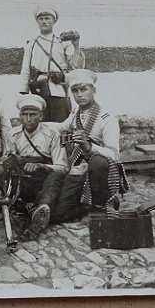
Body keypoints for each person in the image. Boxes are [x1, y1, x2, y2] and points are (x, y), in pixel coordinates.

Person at [50, 69, 128, 223]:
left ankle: (99, 206)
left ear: (94, 90)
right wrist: (38, 124)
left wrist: (89, 146)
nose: (79, 95)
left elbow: (114, 155)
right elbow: (60, 127)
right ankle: (89, 206)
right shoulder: (75, 113)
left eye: (84, 89)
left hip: (100, 171)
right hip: (79, 168)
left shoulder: (106, 117)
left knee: (97, 162)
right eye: (75, 91)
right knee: (59, 215)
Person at [7, 94, 68, 238]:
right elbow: (8, 159)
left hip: (45, 178)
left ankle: (42, 209)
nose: (28, 118)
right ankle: (30, 210)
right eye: (24, 114)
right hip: (23, 177)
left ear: (41, 116)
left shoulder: (52, 134)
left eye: (33, 114)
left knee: (56, 176)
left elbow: (63, 166)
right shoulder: (13, 134)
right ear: (20, 116)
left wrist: (42, 166)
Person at [19, 6, 85, 122]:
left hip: (58, 90)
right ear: (37, 21)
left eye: (48, 18)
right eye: (41, 19)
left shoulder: (62, 42)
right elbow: (25, 69)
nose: (44, 21)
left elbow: (76, 68)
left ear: (54, 21)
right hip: (38, 90)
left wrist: (76, 46)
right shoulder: (32, 43)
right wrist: (24, 92)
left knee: (59, 124)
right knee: (40, 124)